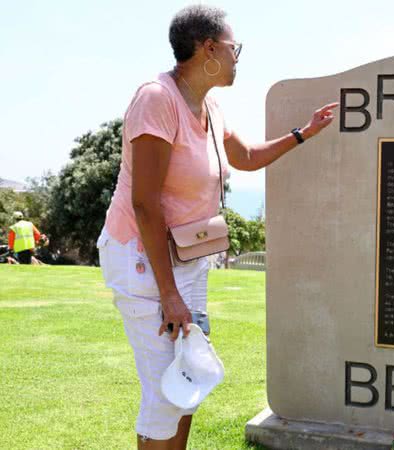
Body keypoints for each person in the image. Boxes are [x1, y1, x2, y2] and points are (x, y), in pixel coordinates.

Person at [95, 5, 337, 449]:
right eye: (233, 47)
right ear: (208, 49)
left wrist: (305, 132)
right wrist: (169, 294)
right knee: (163, 394)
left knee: (189, 380)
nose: (237, 56)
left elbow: (244, 157)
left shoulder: (210, 106)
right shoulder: (157, 99)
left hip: (186, 258)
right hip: (142, 260)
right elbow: (145, 204)